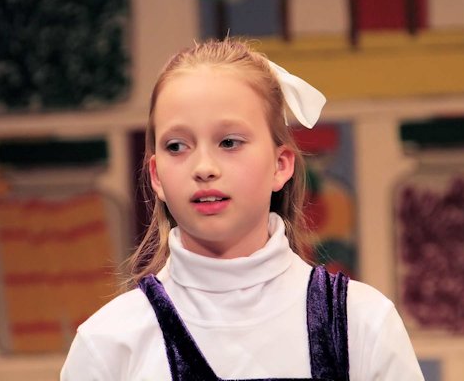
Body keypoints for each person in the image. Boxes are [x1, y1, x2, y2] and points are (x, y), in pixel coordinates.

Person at [60, 39, 424, 381]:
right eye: (177, 146)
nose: (204, 167)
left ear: (280, 164)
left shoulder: (361, 324)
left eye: (229, 142)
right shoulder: (109, 344)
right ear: (156, 175)